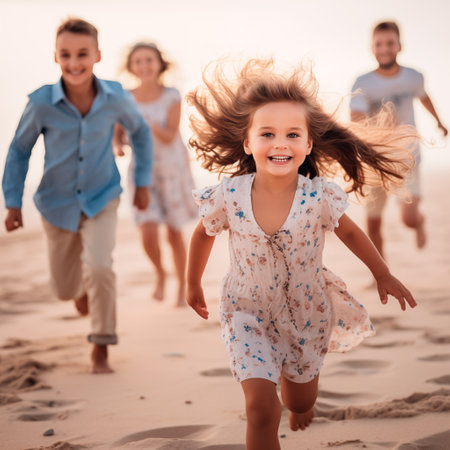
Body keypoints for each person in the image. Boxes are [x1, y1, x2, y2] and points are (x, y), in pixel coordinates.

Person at [185, 59, 417, 450]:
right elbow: (203, 234)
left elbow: (350, 232)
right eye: (268, 133)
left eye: (293, 134)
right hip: (246, 312)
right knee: (261, 409)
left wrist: (382, 273)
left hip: (307, 314)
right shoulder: (229, 195)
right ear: (248, 142)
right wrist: (191, 283)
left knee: (300, 399)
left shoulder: (318, 196)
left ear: (308, 145)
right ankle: (272, 410)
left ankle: (299, 403)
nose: (280, 143)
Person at [2, 18, 153, 374]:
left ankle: (101, 346)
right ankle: (79, 290)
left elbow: (141, 133)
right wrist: (12, 201)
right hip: (56, 204)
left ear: (97, 55)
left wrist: (142, 182)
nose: (74, 62)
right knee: (63, 287)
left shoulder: (117, 97)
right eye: (66, 54)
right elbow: (18, 151)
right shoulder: (40, 103)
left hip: (102, 197)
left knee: (101, 266)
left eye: (82, 54)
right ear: (55, 57)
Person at [350, 20, 447, 257]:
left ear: (399, 45)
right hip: (375, 159)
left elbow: (423, 97)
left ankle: (419, 222)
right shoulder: (363, 83)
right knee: (373, 222)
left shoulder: (413, 77)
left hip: (408, 156)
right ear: (372, 48)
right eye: (379, 44)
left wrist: (439, 121)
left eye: (390, 43)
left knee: (409, 219)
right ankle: (382, 275)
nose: (384, 49)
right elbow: (356, 118)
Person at [114, 42, 197, 307]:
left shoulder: (172, 95)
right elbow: (117, 135)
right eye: (138, 61)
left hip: (171, 170)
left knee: (174, 233)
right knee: (147, 230)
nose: (144, 65)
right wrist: (117, 147)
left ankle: (183, 286)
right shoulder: (123, 98)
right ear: (131, 67)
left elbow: (169, 135)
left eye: (149, 60)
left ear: (160, 64)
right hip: (142, 173)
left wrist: (143, 125)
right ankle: (160, 274)